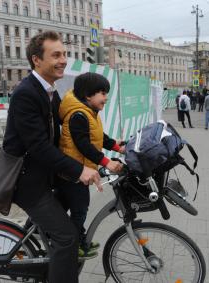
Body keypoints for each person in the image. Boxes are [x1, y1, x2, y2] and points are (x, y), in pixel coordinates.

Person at [3, 31, 101, 283]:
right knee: (67, 237)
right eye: (56, 55)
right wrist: (80, 170)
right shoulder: (26, 93)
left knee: (62, 223)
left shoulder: (49, 90)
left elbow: (69, 130)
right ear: (37, 60)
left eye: (64, 54)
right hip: (27, 182)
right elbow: (39, 147)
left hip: (45, 176)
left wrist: (106, 150)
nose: (63, 60)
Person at [55, 72, 125, 259]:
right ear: (88, 95)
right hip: (74, 172)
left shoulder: (90, 113)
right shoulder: (78, 115)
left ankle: (37, 229)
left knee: (61, 206)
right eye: (102, 93)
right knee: (79, 209)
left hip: (76, 170)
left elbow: (99, 138)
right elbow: (83, 145)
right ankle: (74, 244)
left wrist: (119, 148)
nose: (106, 97)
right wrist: (106, 162)